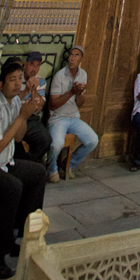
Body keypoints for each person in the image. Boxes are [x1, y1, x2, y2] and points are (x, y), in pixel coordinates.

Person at [0, 61, 47, 279]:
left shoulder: (13, 103)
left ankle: (18, 235)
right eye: (12, 80)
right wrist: (22, 116)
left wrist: (27, 109)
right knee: (13, 187)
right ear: (1, 83)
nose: (17, 84)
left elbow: (19, 136)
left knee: (38, 172)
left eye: (19, 80)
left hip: (4, 165)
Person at [47, 45, 99, 183]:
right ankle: (52, 169)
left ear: (81, 59)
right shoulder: (59, 75)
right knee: (56, 144)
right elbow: (53, 104)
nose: (72, 58)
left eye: (76, 55)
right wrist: (71, 91)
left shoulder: (83, 75)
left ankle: (69, 164)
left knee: (93, 140)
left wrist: (80, 93)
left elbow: (80, 103)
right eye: (71, 55)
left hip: (74, 117)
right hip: (58, 118)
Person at [14, 51, 51, 165]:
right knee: (14, 142)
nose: (34, 69)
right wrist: (26, 90)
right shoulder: (17, 79)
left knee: (45, 139)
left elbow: (39, 106)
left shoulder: (41, 81)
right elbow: (12, 104)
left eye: (38, 65)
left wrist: (34, 89)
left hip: (31, 119)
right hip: (15, 117)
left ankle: (30, 165)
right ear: (25, 65)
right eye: (31, 65)